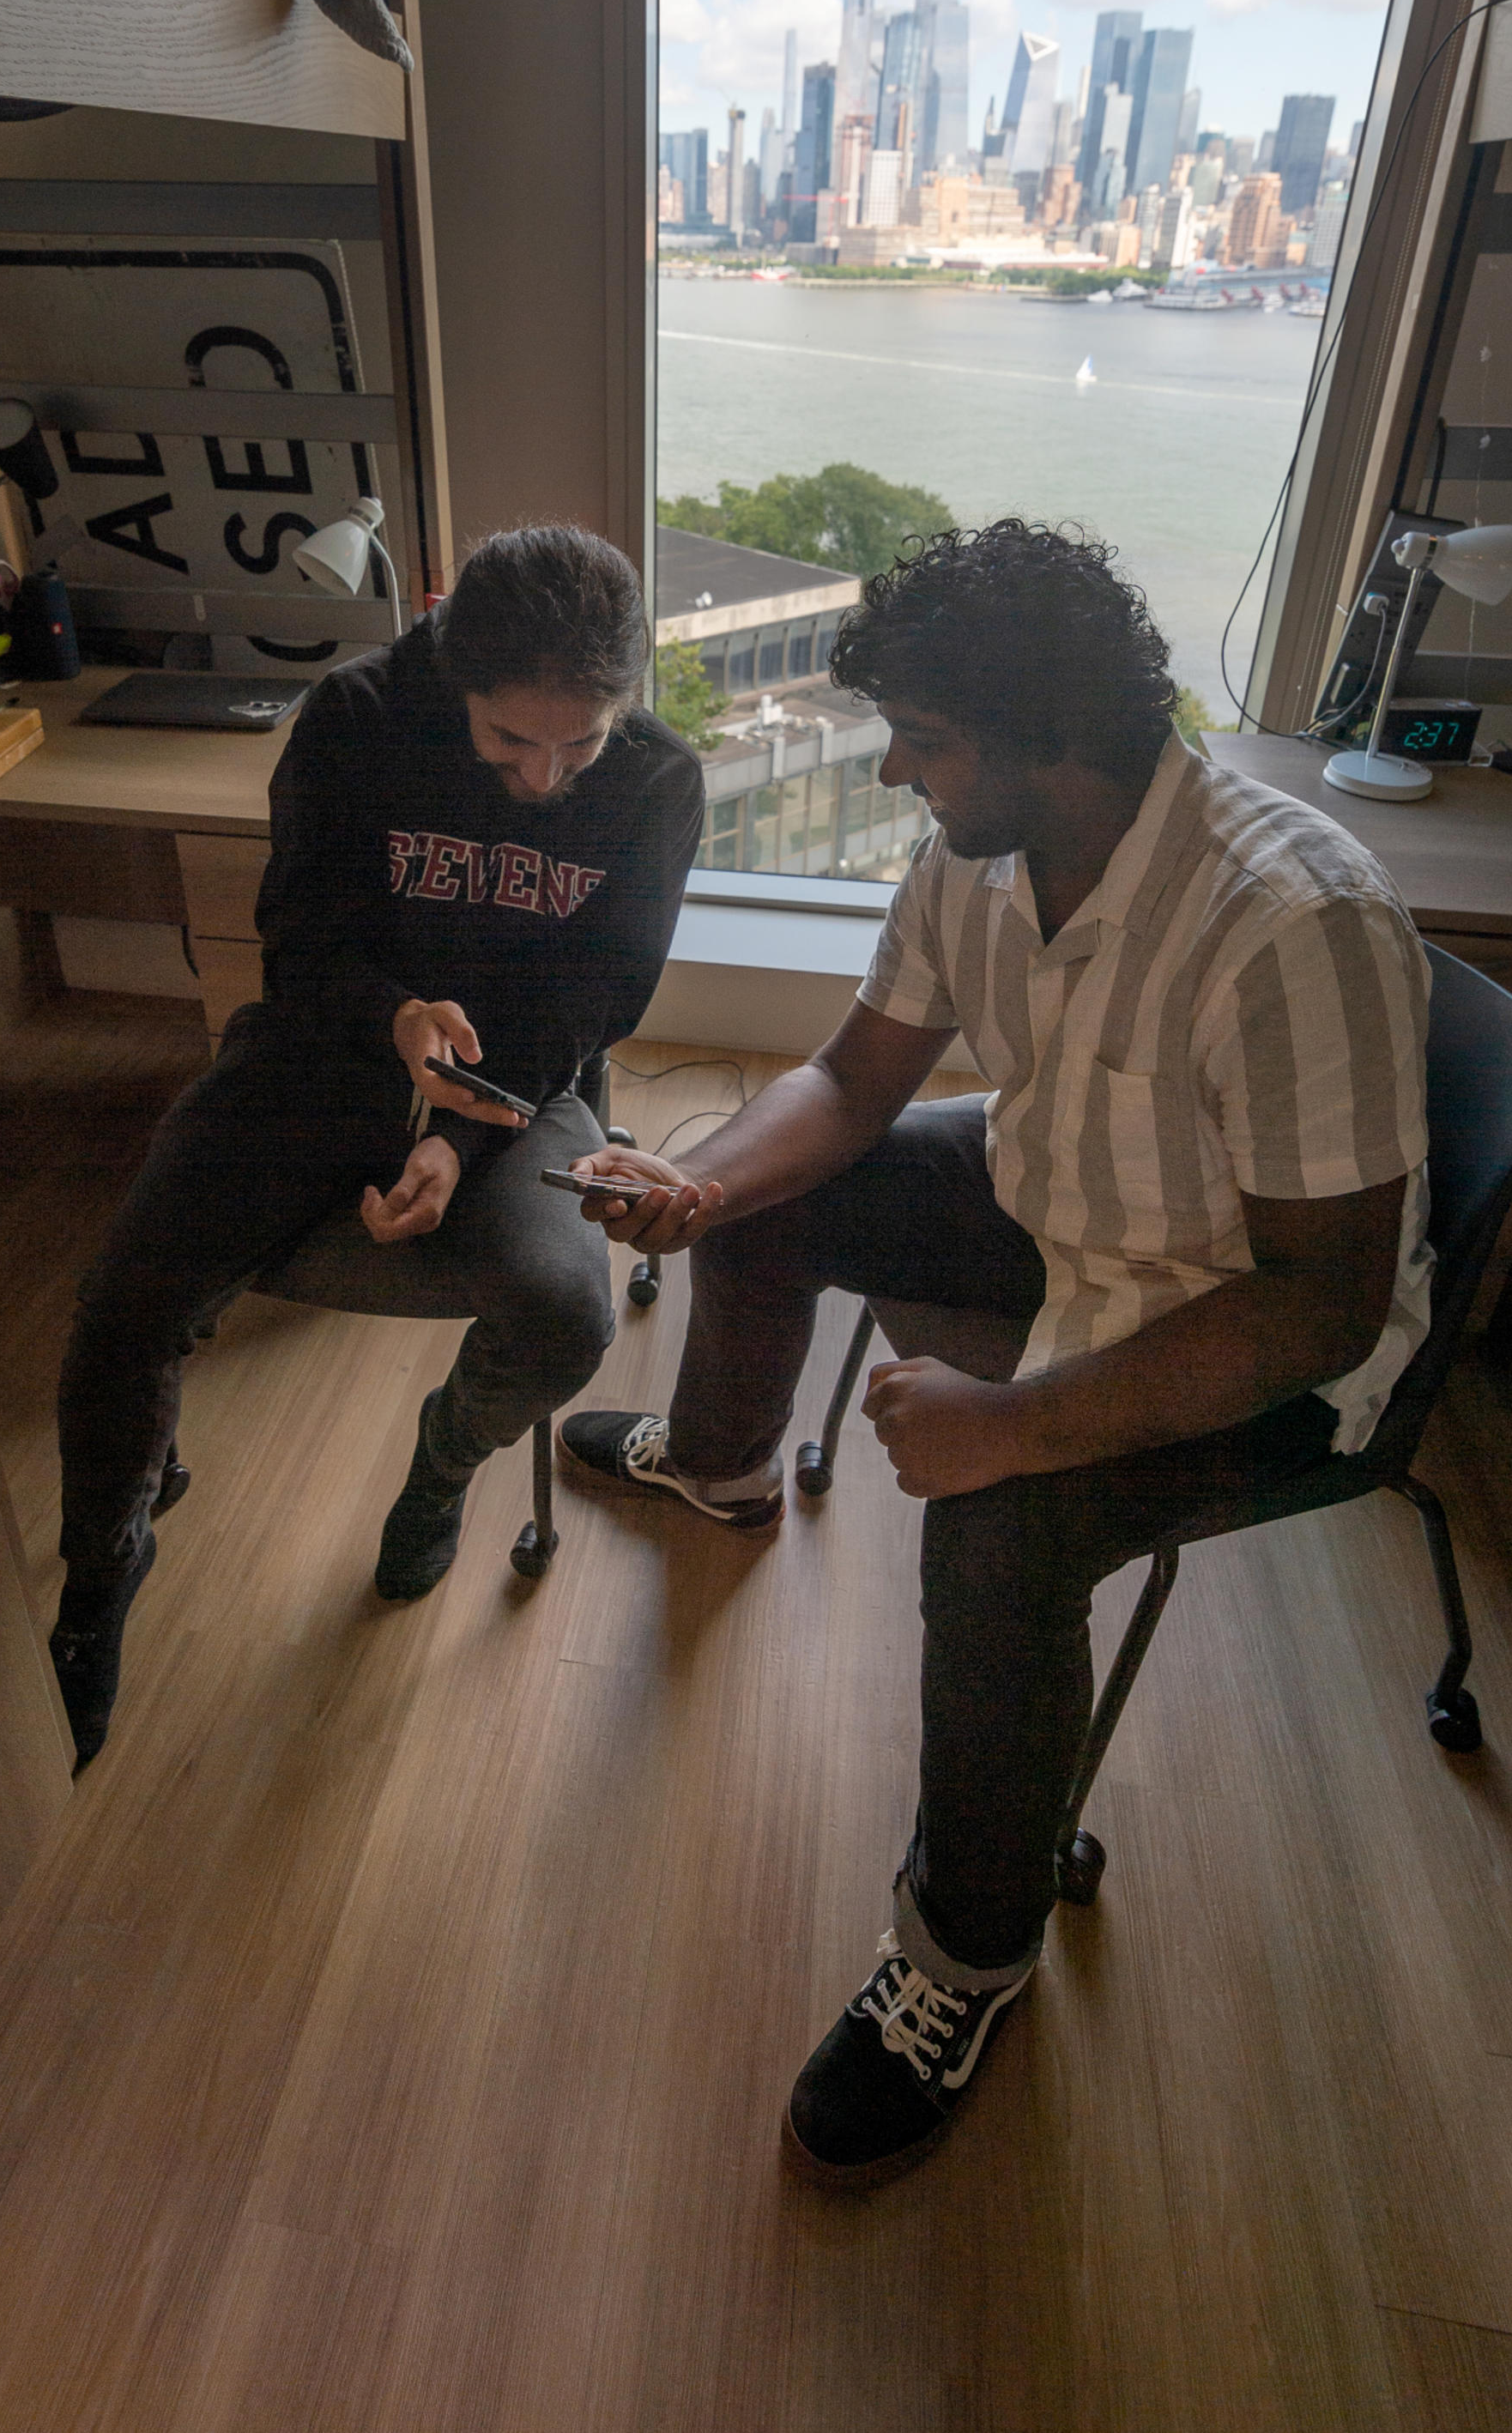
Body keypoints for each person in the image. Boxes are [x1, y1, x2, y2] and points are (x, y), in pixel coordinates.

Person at [557, 519, 1431, 2182]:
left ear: (1053, 738)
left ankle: (964, 1959)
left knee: (995, 1538)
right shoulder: (979, 851)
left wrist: (1016, 1425)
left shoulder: (1292, 920)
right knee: (764, 1192)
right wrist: (700, 1182)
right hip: (1062, 1207)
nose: (894, 770)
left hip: (1251, 1334)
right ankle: (725, 1468)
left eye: (927, 739)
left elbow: (1324, 1297)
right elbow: (857, 1078)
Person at [49, 524, 703, 1765]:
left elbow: (596, 997)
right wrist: (394, 1017)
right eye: (512, 739)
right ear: (454, 677)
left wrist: (460, 1123)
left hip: (516, 1075)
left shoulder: (658, 782)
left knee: (568, 1311)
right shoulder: (355, 719)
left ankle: (446, 1461)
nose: (545, 777)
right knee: (124, 1294)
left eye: (582, 741)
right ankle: (102, 1566)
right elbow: (298, 939)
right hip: (329, 1047)